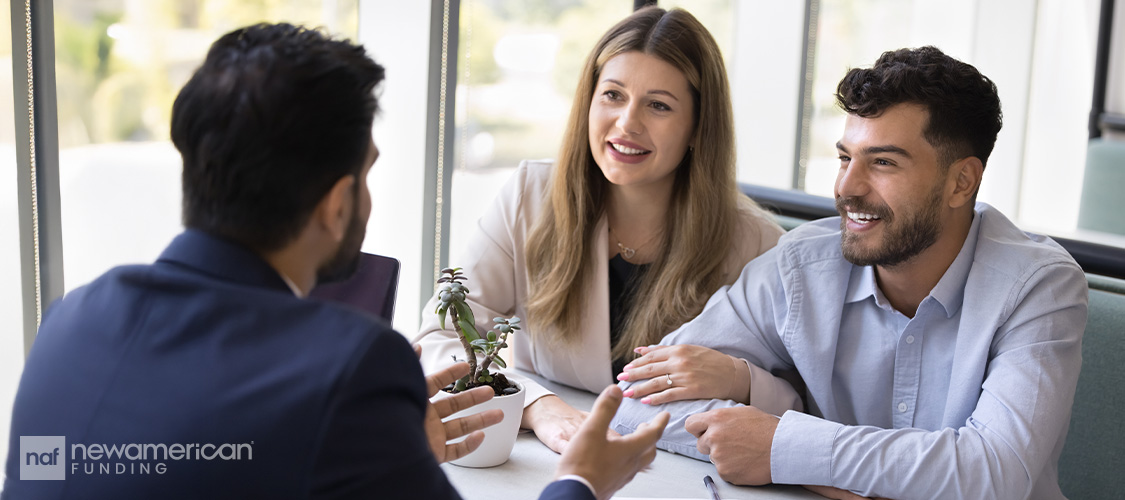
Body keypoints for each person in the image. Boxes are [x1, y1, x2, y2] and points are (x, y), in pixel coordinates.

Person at [2, 23, 669, 500]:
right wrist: (580, 482)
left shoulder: (70, 321)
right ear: (338, 202)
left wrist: (385, 455)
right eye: (368, 174)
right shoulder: (346, 367)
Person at [610, 46, 1088, 499]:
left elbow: (995, 470)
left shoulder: (1039, 287)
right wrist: (788, 439)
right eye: (844, 157)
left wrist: (785, 449)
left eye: (882, 162)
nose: (847, 188)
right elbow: (634, 402)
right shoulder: (802, 263)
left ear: (961, 182)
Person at [414, 6, 801, 455]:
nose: (627, 124)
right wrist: (537, 406)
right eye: (613, 95)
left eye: (658, 105)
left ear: (698, 126)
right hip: (545, 456)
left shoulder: (757, 242)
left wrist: (739, 378)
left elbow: (805, 400)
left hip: (685, 470)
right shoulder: (530, 194)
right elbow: (439, 341)